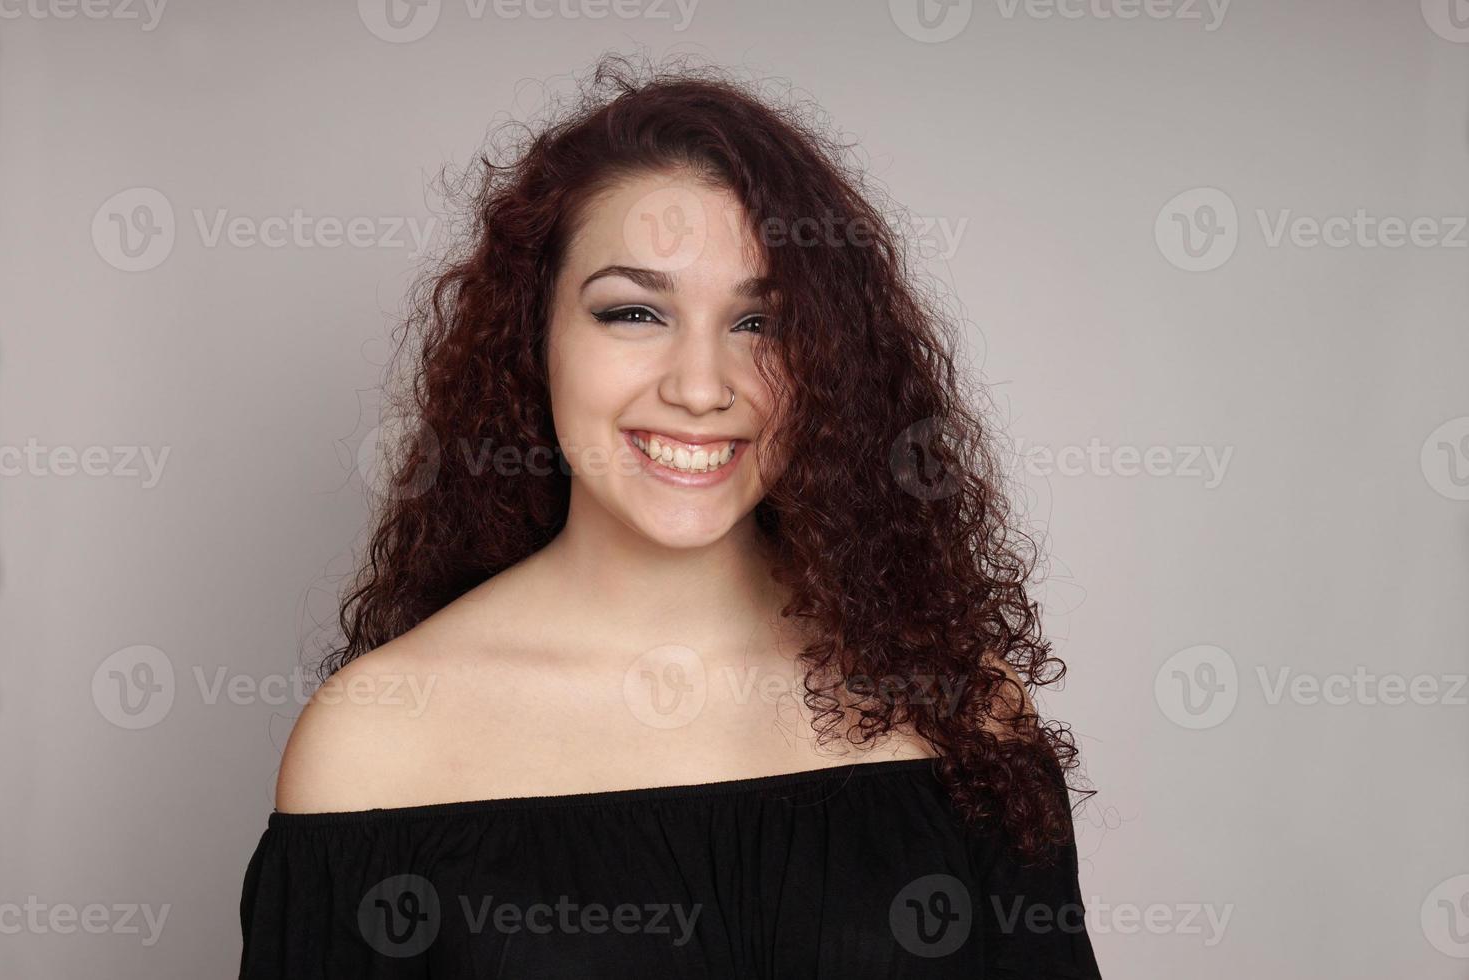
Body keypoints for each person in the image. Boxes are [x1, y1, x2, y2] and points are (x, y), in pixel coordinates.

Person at [238, 54, 1103, 978]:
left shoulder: (956, 706)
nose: (700, 389)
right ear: (534, 339)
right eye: (634, 313)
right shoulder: (375, 741)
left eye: (759, 325)